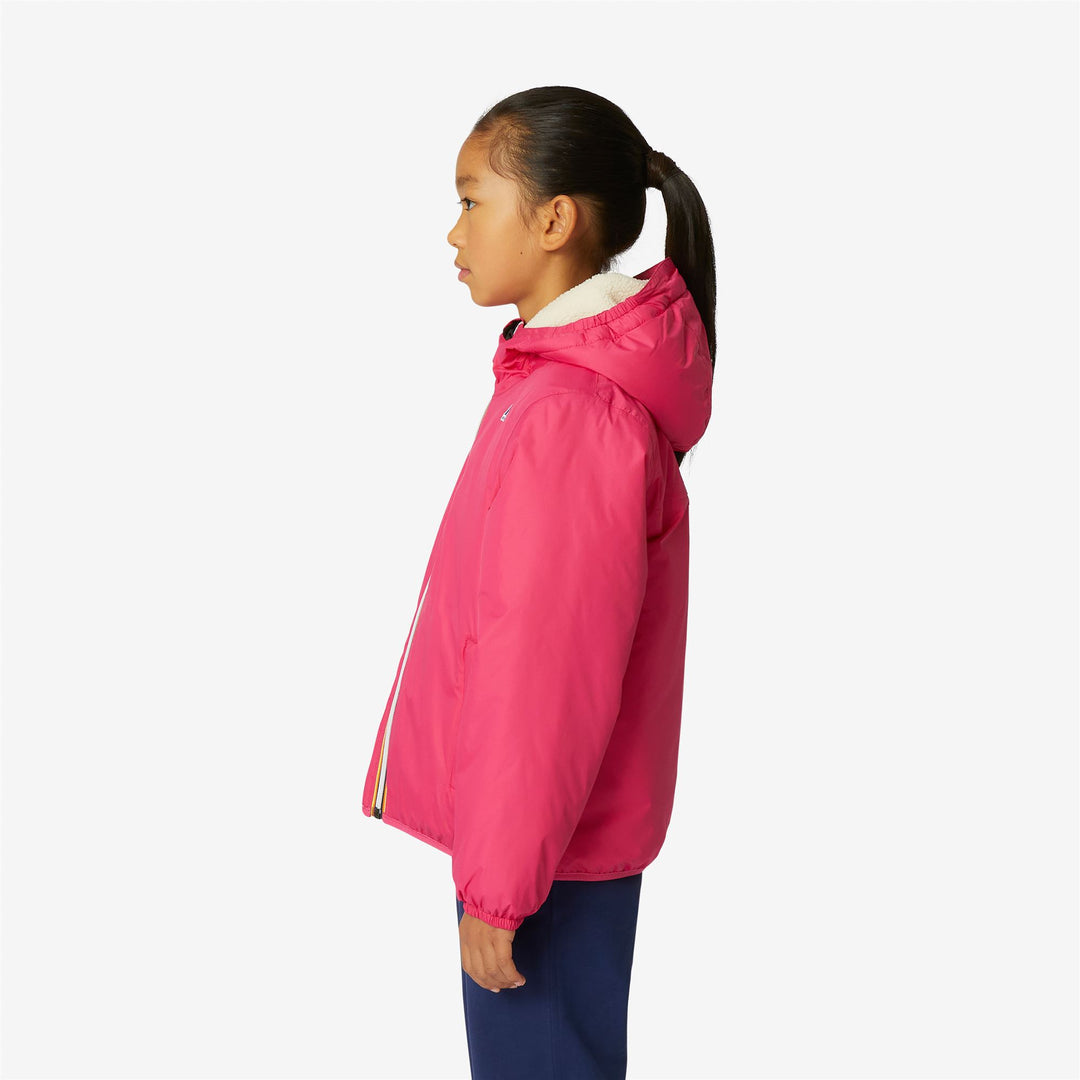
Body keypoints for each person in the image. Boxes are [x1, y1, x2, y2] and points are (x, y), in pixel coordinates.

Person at [361, 85, 716, 1079]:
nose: (454, 230)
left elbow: (544, 667)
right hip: (542, 840)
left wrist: (501, 885)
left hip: (543, 855)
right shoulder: (553, 390)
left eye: (473, 200)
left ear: (555, 220)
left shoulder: (570, 412)